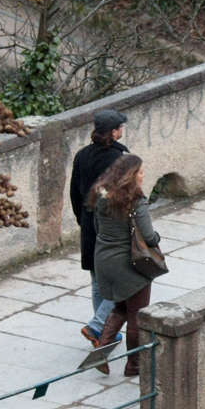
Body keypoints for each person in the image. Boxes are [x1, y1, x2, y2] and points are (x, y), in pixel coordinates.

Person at [90, 154, 160, 378]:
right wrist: (158, 238)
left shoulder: (101, 196)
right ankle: (134, 364)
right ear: (130, 176)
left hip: (104, 260)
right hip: (130, 265)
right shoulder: (136, 201)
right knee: (136, 315)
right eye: (140, 172)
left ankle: (101, 351)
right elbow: (148, 235)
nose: (143, 175)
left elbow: (97, 227)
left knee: (120, 307)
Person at [69, 109, 128, 351]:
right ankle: (99, 326)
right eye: (120, 127)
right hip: (111, 226)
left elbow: (74, 192)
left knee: (97, 282)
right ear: (114, 132)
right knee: (123, 280)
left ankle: (103, 334)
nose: (122, 130)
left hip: (88, 224)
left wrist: (83, 220)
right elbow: (125, 196)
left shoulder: (82, 155)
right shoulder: (121, 159)